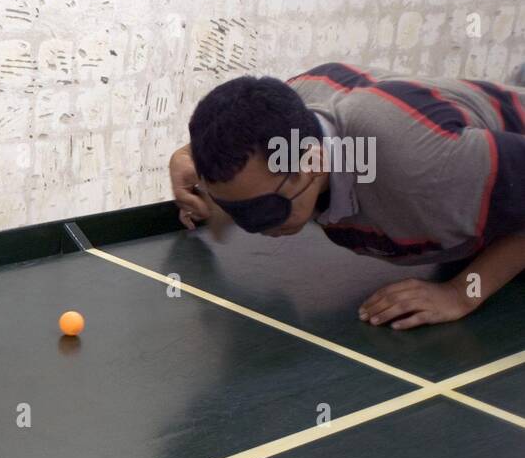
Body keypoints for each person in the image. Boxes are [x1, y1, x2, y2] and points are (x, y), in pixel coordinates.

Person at [170, 63, 525, 329]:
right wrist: (186, 158)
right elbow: (234, 136)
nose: (254, 228)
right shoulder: (284, 118)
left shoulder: (416, 165)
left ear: (312, 163)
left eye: (262, 212)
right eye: (237, 211)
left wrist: (463, 293)